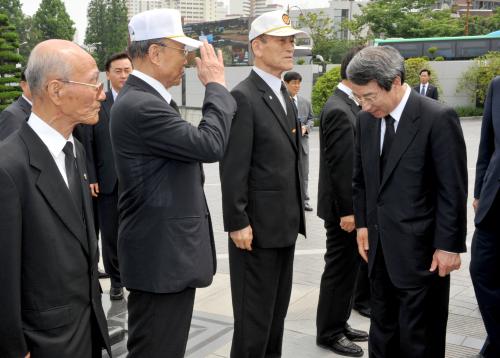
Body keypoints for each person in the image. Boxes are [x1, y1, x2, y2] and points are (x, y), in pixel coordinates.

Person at [110, 9, 236, 357]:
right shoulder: (141, 105)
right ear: (154, 53)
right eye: (181, 51)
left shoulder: (144, 99)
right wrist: (216, 86)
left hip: (166, 258)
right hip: (160, 261)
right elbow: (210, 145)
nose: (187, 59)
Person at [348, 46, 467, 358]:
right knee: (383, 335)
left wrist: (448, 246)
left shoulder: (436, 118)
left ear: (395, 81)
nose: (364, 104)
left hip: (422, 255)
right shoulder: (366, 121)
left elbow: (451, 189)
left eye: (369, 95)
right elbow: (361, 180)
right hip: (379, 253)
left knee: (420, 341)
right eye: (358, 97)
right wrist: (362, 222)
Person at [0, 39, 111, 358]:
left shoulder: (74, 149)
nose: (101, 94)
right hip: (44, 344)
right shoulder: (8, 168)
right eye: (93, 83)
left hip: (85, 331)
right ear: (56, 90)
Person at [220, 10, 306, 357]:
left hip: (282, 226)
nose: (291, 47)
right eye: (282, 40)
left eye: (292, 40)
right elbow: (233, 165)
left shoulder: (282, 92)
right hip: (255, 231)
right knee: (254, 321)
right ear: (258, 46)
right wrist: (237, 221)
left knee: (275, 316)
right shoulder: (244, 95)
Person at [315, 46, 369, 357]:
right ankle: (329, 332)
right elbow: (341, 168)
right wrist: (349, 211)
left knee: (349, 269)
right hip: (342, 212)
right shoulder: (338, 109)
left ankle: (340, 320)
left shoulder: (349, 105)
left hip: (348, 209)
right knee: (338, 270)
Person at [81, 52, 133, 300]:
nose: (124, 75)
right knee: (111, 233)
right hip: (107, 181)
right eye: (119, 71)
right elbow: (88, 142)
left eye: (127, 70)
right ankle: (116, 280)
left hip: (138, 181)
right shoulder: (98, 102)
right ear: (108, 74)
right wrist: (91, 175)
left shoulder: (141, 100)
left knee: (136, 230)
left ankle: (136, 274)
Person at [470, 76, 500, 358]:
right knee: (480, 270)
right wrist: (479, 191)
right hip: (494, 202)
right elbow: (487, 144)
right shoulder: (497, 85)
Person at [284, 71, 314, 212]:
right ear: (286, 84)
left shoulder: (305, 102)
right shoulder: (281, 102)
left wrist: (306, 128)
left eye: (299, 82)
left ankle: (305, 200)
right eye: (294, 83)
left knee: (304, 173)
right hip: (286, 146)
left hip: (302, 145)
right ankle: (289, 201)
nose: (297, 85)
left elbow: (311, 119)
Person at [0, 70, 32, 140]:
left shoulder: (45, 111)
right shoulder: (11, 115)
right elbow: (7, 149)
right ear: (23, 85)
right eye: (36, 82)